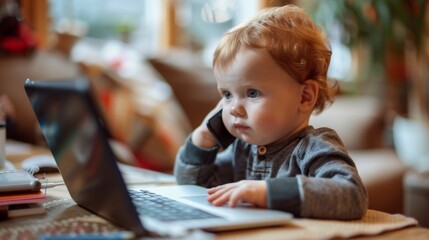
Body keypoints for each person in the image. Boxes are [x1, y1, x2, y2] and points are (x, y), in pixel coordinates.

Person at [174, 5, 368, 220]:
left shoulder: (314, 147)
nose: (234, 108)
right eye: (227, 95)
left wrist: (266, 192)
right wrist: (203, 137)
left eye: (253, 93)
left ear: (304, 97)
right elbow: (193, 185)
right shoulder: (243, 149)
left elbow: (352, 195)